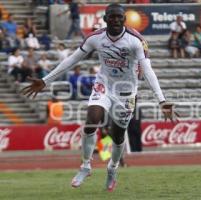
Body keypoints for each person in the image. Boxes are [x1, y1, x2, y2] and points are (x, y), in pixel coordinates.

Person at [20, 3, 177, 192]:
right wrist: (45, 80)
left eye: (120, 17)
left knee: (117, 136)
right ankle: (85, 166)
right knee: (91, 120)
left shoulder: (136, 40)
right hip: (104, 86)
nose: (116, 20)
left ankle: (112, 168)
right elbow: (72, 59)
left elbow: (148, 70)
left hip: (126, 92)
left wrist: (161, 99)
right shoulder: (96, 38)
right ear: (105, 19)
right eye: (112, 17)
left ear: (125, 20)